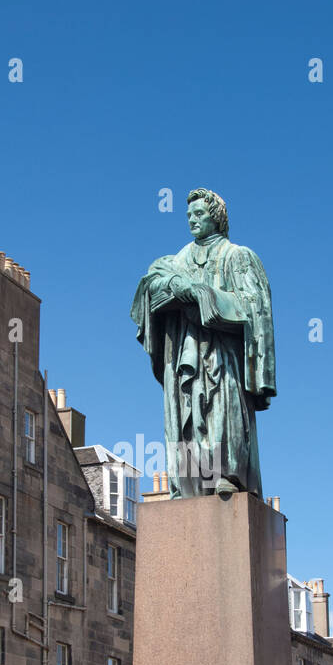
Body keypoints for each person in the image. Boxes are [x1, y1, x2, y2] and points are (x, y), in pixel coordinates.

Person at [131, 188, 276, 497]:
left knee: (220, 412)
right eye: (189, 216)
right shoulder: (178, 260)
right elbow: (149, 290)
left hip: (220, 353)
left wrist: (204, 296)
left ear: (217, 218)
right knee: (185, 418)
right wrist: (173, 285)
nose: (193, 221)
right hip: (183, 352)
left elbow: (254, 307)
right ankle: (189, 484)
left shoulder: (238, 256)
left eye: (199, 214)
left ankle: (227, 475)